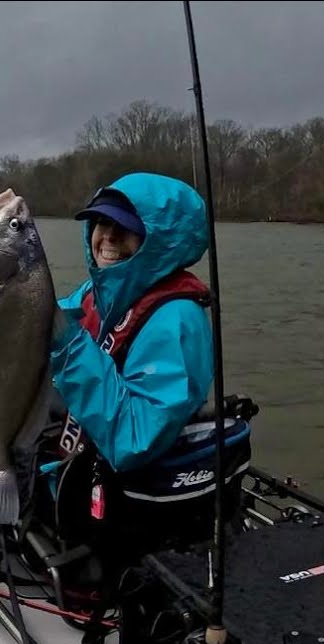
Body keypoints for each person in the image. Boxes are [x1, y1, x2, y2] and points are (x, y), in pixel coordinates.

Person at [47, 171, 215, 483]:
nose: (108, 236)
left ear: (159, 240)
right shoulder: (96, 292)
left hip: (124, 494)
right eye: (101, 222)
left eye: (124, 227)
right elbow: (46, 329)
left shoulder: (177, 320)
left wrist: (67, 345)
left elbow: (134, 439)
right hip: (73, 464)